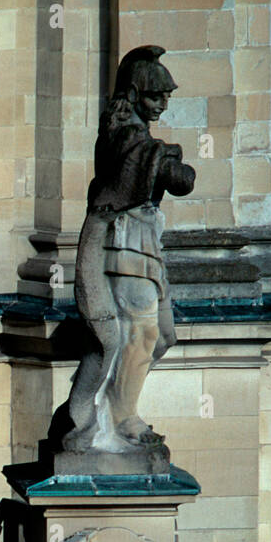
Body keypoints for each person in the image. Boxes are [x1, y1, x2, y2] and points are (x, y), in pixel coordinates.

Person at [61, 46, 195, 454]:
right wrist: (170, 163)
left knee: (162, 336)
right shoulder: (124, 135)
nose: (163, 105)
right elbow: (152, 171)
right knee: (142, 329)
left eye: (166, 98)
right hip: (123, 243)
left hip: (144, 241)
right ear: (135, 94)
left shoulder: (138, 136)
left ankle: (111, 405)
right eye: (156, 97)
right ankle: (123, 418)